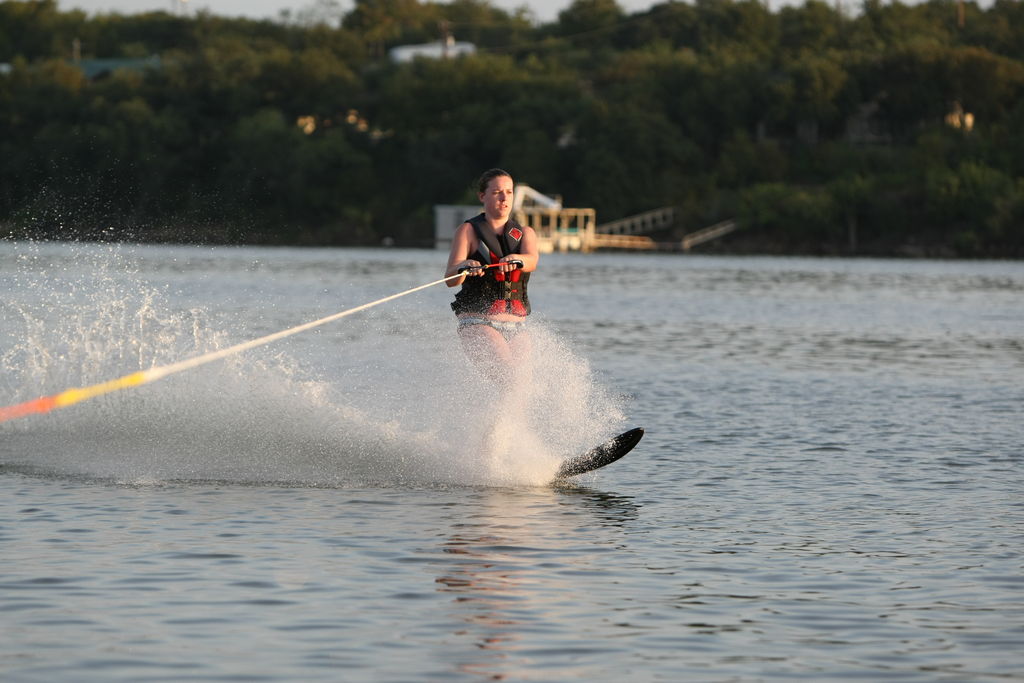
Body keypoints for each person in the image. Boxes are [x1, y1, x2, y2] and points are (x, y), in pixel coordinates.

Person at [445, 169, 539, 384]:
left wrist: (517, 259)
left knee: (522, 385)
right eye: (497, 192)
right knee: (510, 380)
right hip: (478, 323)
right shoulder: (467, 231)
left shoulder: (526, 233)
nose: (504, 198)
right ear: (482, 196)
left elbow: (532, 260)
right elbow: (450, 278)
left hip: (517, 327)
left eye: (509, 192)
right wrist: (464, 266)